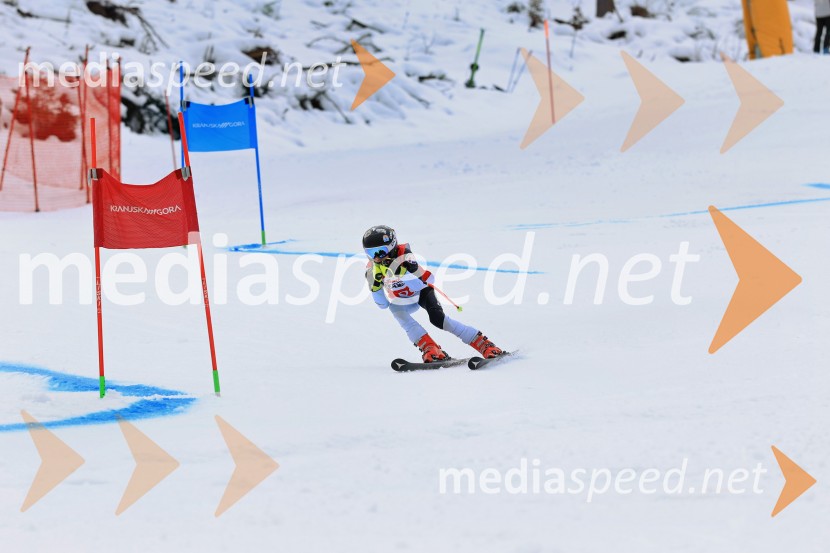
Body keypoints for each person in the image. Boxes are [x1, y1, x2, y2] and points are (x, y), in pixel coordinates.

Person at [362, 225, 504, 363]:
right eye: (370, 253)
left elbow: (428, 281)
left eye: (380, 251)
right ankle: (431, 348)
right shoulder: (372, 270)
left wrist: (404, 273)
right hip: (402, 299)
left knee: (438, 320)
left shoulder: (404, 257)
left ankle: (484, 344)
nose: (376, 258)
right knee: (396, 310)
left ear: (392, 246)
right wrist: (375, 288)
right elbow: (383, 305)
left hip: (421, 293)